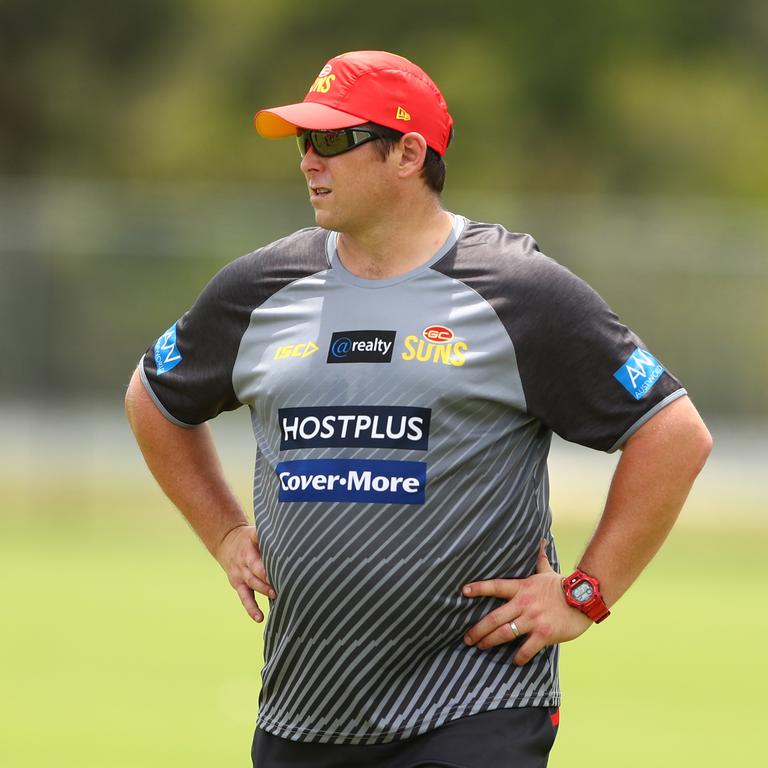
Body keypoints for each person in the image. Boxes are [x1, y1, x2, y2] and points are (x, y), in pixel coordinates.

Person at [125, 50, 712, 768]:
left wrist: (586, 592)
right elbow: (153, 398)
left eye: (333, 140)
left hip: (476, 705)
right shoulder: (260, 287)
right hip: (305, 711)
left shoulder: (518, 292)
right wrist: (221, 534)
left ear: (407, 153)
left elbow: (673, 432)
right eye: (303, 141)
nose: (310, 160)